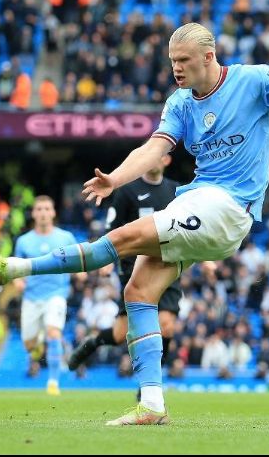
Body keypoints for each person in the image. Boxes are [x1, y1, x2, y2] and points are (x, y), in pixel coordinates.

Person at [0, 22, 269, 425]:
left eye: (184, 60)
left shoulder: (253, 80)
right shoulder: (180, 103)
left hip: (228, 207)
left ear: (208, 57)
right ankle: (151, 403)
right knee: (137, 291)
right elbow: (153, 149)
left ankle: (15, 268)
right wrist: (115, 179)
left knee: (123, 237)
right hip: (199, 204)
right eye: (172, 60)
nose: (176, 68)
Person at [67, 155, 182, 378]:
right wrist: (107, 260)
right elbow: (112, 227)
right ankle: (91, 343)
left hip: (167, 264)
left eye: (159, 156)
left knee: (166, 325)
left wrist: (205, 260)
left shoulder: (176, 192)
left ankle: (149, 386)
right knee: (120, 334)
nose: (154, 160)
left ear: (167, 160)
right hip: (133, 269)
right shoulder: (128, 191)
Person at [11, 195, 83, 396]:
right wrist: (17, 281)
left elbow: (77, 261)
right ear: (34, 213)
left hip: (56, 294)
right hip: (31, 297)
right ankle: (38, 340)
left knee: (54, 332)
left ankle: (53, 382)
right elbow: (16, 267)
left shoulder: (65, 238)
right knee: (29, 344)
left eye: (46, 209)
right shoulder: (24, 241)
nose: (43, 213)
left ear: (53, 213)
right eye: (39, 209)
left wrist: (80, 273)